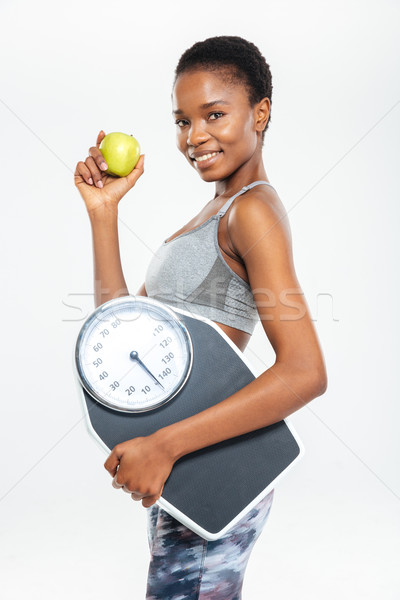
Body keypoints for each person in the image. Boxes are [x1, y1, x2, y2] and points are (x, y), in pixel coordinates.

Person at [74, 35, 327, 600]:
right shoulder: (212, 211)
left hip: (211, 466)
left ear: (260, 113)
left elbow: (305, 372)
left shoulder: (252, 210)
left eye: (214, 114)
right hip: (186, 470)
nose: (195, 137)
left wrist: (164, 445)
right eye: (182, 120)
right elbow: (120, 334)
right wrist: (104, 213)